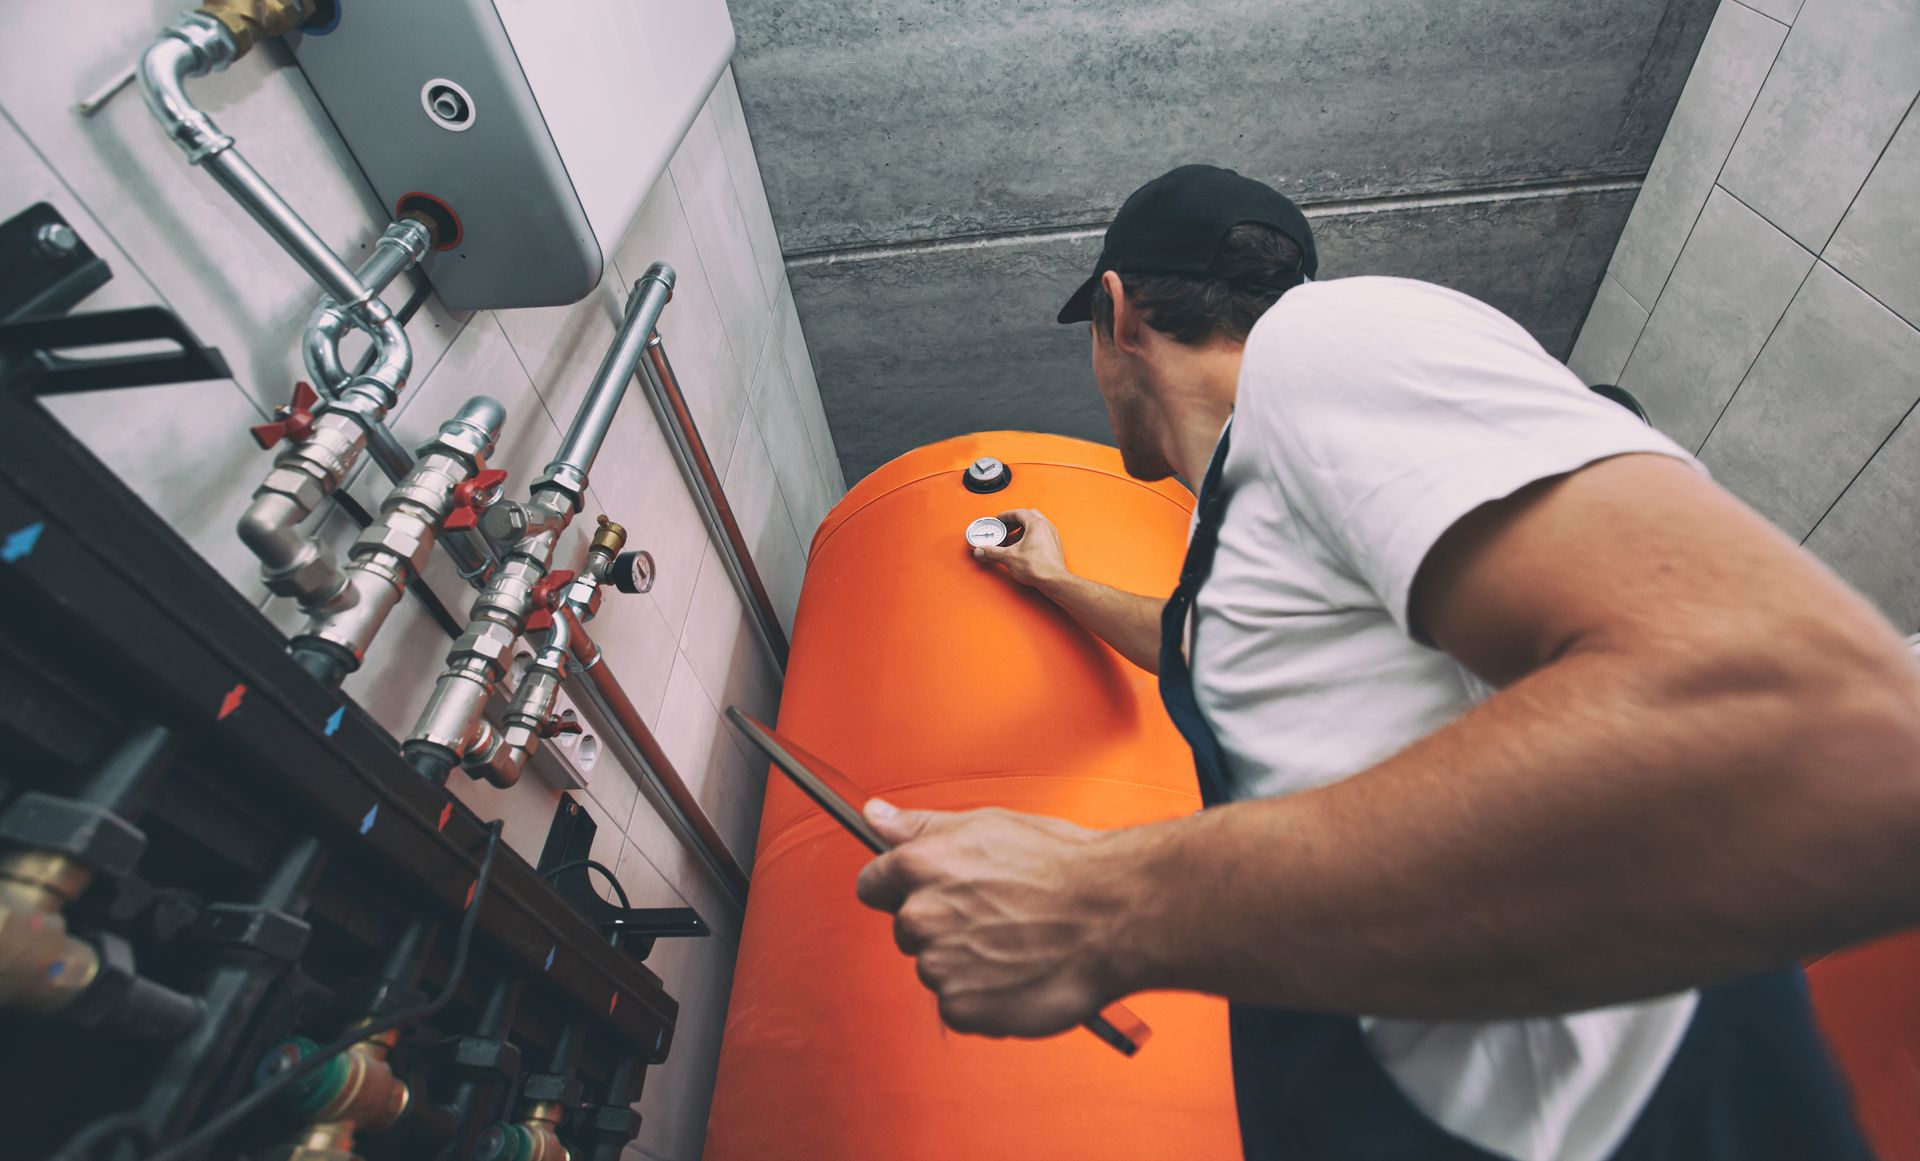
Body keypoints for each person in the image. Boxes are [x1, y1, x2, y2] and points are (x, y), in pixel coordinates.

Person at [851, 164, 1920, 1160]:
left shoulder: (1329, 342)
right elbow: (1193, 644)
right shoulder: (1241, 512)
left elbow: (1811, 737)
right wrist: (1054, 581)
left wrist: (1099, 905)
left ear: (1117, 314)